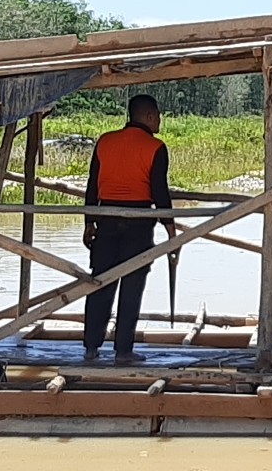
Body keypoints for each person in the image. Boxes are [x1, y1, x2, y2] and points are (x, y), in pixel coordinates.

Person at [82, 94, 177, 364]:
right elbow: (159, 191)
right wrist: (170, 228)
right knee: (132, 287)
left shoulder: (105, 141)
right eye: (158, 116)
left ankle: (91, 347)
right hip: (139, 222)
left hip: (106, 219)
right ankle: (123, 350)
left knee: (100, 283)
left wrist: (89, 222)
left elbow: (92, 184)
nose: (159, 121)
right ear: (149, 116)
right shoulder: (155, 147)